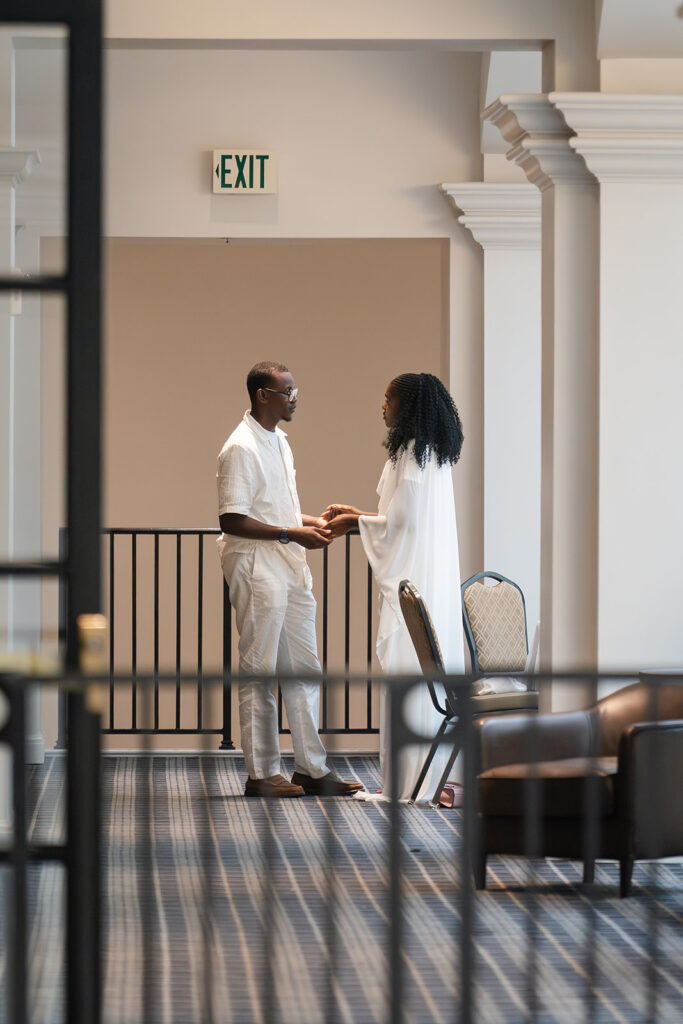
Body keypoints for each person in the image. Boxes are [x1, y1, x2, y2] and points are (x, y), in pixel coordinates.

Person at [216, 361, 363, 798]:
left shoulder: (279, 440)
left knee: (305, 667)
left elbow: (274, 509)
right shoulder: (240, 447)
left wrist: (310, 523)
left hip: (289, 561)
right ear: (263, 395)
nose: (294, 398)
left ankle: (310, 769)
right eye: (287, 391)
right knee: (260, 668)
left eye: (294, 390)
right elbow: (231, 518)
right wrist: (289, 533)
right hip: (257, 563)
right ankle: (261, 773)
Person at [323, 373, 464, 802]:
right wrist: (360, 515)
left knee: (407, 674)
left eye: (388, 400)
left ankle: (407, 783)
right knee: (419, 681)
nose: (382, 407)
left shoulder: (411, 454)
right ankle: (423, 777)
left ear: (408, 407)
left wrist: (354, 522)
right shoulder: (430, 453)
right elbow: (406, 522)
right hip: (427, 576)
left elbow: (402, 525)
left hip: (413, 582)